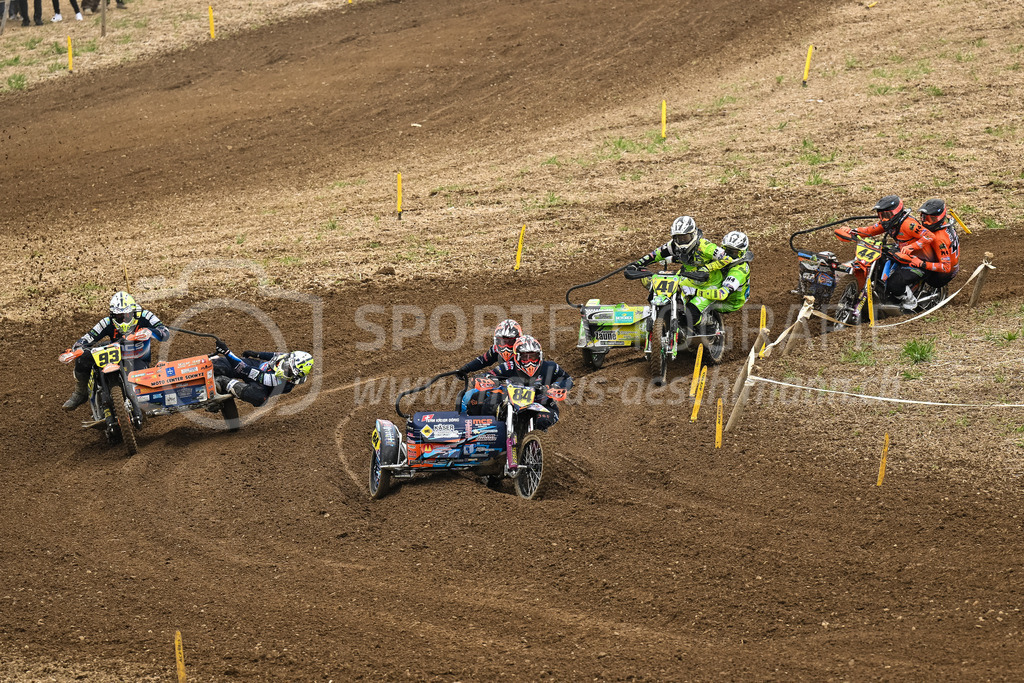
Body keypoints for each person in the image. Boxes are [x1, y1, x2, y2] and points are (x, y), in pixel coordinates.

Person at [62, 291, 170, 410]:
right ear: (113, 315)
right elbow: (87, 338)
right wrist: (77, 348)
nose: (123, 319)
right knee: (82, 359)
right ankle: (80, 393)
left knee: (144, 390)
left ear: (133, 312)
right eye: (119, 317)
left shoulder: (145, 315)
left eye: (126, 315)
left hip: (138, 359)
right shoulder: (106, 322)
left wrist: (150, 331)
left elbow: (165, 332)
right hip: (114, 356)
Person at [627, 215, 736, 325]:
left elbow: (727, 258)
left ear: (693, 234)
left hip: (710, 284)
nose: (682, 241)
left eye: (685, 237)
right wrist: (637, 264)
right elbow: (654, 255)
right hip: (689, 279)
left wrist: (706, 268)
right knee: (667, 296)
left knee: (691, 315)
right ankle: (670, 324)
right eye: (679, 238)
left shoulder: (705, 246)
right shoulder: (672, 245)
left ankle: (710, 323)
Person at [834, 194, 934, 311]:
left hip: (920, 261)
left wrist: (912, 247)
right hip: (902, 255)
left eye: (886, 215)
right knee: (877, 262)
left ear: (896, 212)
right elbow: (869, 230)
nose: (883, 219)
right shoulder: (890, 223)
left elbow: (929, 235)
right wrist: (852, 231)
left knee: (895, 283)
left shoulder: (908, 224)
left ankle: (910, 304)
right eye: (881, 215)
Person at [483, 335, 573, 431]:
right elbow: (488, 375)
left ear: (539, 356)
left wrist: (556, 386)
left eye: (533, 357)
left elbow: (567, 379)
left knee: (542, 421)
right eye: (525, 357)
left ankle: (540, 442)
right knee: (490, 403)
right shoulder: (508, 366)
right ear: (517, 357)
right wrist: (491, 380)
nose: (529, 362)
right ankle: (488, 434)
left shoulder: (550, 367)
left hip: (543, 405)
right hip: (513, 403)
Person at [889, 198, 960, 291]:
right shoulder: (946, 225)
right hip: (948, 263)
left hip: (941, 275)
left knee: (908, 268)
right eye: (924, 218)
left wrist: (921, 264)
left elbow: (946, 267)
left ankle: (908, 296)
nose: (926, 222)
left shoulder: (939, 238)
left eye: (932, 219)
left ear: (940, 218)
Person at [212, 343, 314, 407]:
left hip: (260, 384)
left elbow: (244, 369)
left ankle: (223, 381)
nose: (286, 370)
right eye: (288, 366)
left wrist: (227, 352)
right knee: (219, 366)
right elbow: (275, 355)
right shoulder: (287, 356)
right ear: (289, 359)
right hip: (259, 366)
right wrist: (257, 354)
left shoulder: (278, 381)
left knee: (259, 398)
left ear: (295, 377)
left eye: (290, 372)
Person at [684, 230, 751, 315]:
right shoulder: (722, 258)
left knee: (694, 305)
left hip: (729, 303)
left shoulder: (738, 272)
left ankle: (709, 324)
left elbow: (722, 294)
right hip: (719, 286)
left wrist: (696, 291)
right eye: (726, 251)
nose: (728, 256)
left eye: (734, 253)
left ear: (743, 253)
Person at [454, 319, 522, 380]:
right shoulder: (496, 349)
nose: (506, 346)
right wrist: (466, 368)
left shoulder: (525, 353)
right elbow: (484, 360)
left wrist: (487, 376)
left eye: (510, 342)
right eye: (503, 342)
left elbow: (504, 369)